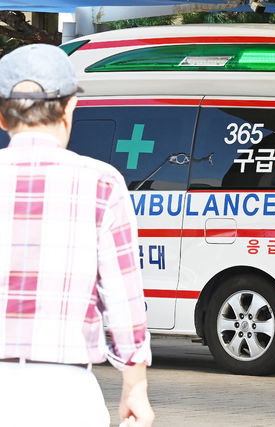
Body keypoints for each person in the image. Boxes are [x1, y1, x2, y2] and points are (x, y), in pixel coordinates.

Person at [0, 44, 154, 426]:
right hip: (65, 393)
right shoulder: (102, 183)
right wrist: (134, 389)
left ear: (2, 116)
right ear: (70, 108)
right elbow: (122, 297)